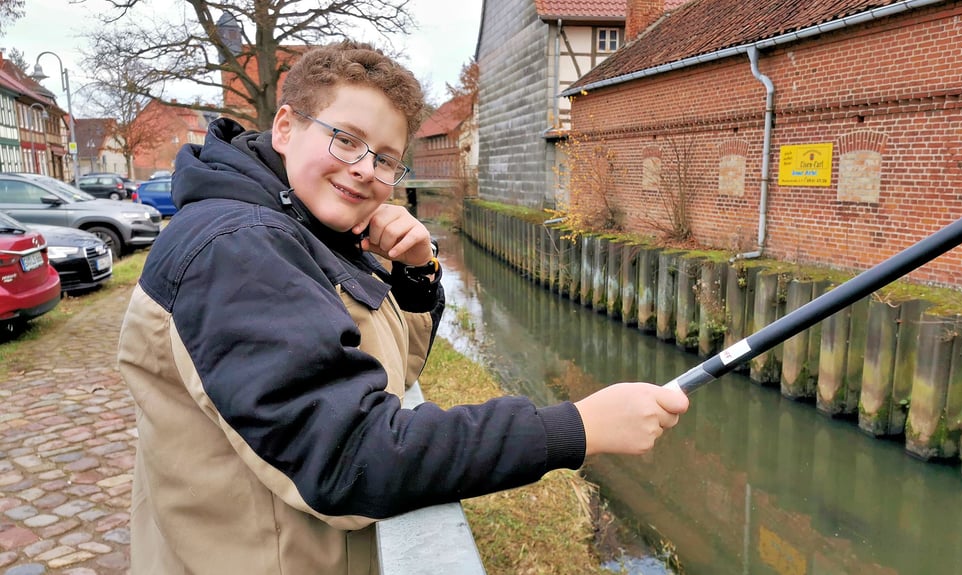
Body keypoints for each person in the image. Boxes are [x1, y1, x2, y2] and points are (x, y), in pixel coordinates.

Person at [117, 41, 689, 574]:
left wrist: (416, 273)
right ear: (286, 127)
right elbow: (351, 457)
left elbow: (389, 375)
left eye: (387, 159)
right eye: (345, 138)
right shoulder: (237, 248)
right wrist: (575, 427)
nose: (367, 168)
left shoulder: (305, 229)